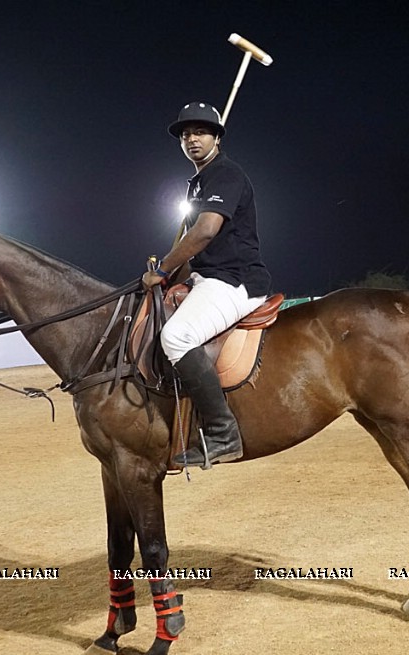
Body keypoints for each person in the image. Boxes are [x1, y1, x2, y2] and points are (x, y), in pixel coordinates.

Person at [142, 102, 272, 466]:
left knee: (176, 337)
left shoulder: (226, 174)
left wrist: (164, 269)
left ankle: (221, 433)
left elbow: (206, 230)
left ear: (216, 137)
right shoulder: (198, 183)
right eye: (185, 134)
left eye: (200, 132)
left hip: (236, 280)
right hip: (209, 276)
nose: (192, 139)